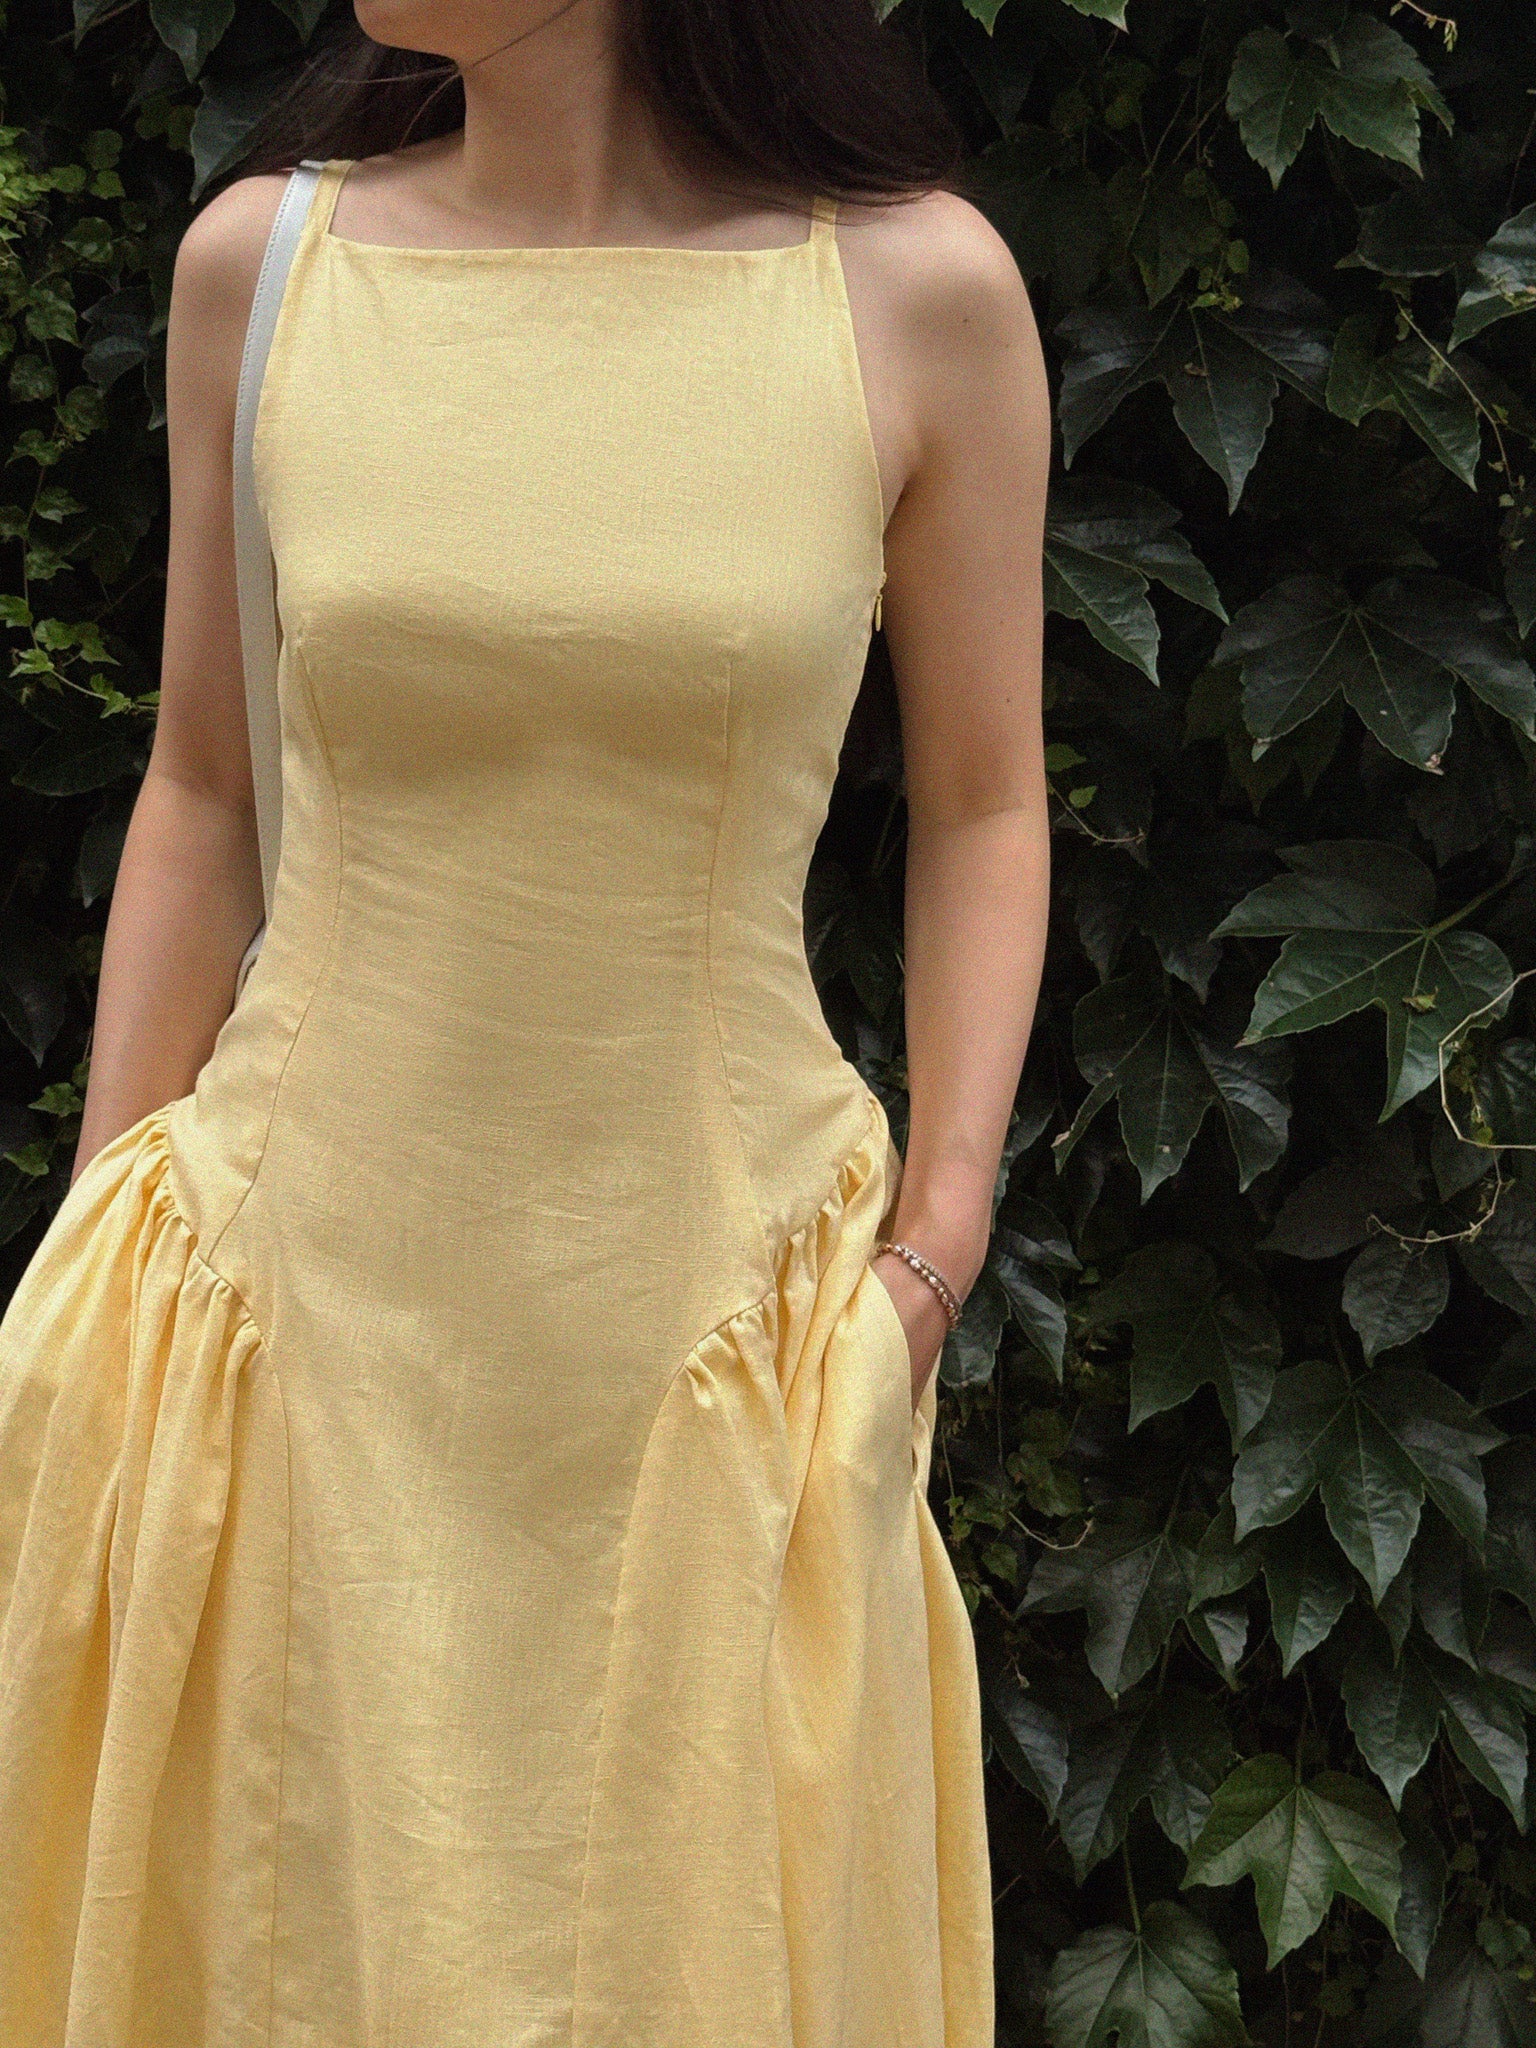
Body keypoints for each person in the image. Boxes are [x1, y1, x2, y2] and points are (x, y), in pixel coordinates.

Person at [0, 1, 1051, 2040]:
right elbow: (201, 783)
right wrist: (97, 1235)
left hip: (705, 1352)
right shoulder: (264, 271)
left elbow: (989, 800)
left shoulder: (916, 296)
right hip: (294, 1343)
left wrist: (936, 1244)